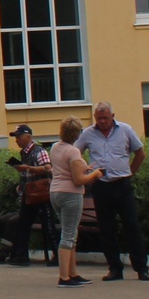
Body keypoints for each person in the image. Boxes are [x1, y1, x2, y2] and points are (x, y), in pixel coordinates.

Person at [75, 101, 149, 281]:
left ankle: (141, 268)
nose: (103, 122)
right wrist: (86, 170)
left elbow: (140, 153)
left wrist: (131, 172)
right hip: (101, 186)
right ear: (95, 118)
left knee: (132, 227)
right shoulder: (88, 134)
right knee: (107, 229)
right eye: (99, 118)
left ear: (112, 117)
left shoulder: (125, 130)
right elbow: (75, 153)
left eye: (106, 118)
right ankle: (115, 269)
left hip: (122, 185)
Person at [48, 119, 101, 287]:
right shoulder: (73, 151)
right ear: (77, 134)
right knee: (69, 235)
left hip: (55, 192)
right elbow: (78, 180)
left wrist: (84, 169)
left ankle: (73, 273)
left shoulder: (55, 147)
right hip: (71, 194)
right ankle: (64, 277)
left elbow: (65, 169)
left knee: (69, 233)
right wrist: (95, 174)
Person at [0, 125, 49, 267]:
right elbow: (27, 174)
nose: (16, 140)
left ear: (28, 136)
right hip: (27, 195)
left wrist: (27, 168)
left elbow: (48, 168)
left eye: (19, 136)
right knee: (6, 221)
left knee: (19, 223)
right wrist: (21, 184)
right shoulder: (24, 153)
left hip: (39, 198)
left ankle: (15, 255)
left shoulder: (39, 151)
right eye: (16, 137)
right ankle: (14, 253)